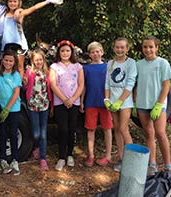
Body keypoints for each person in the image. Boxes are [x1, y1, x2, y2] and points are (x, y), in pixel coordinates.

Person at [135, 35, 171, 180]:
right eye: (145, 47)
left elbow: (166, 85)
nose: (148, 49)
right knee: (149, 134)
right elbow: (136, 84)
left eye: (151, 46)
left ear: (156, 47)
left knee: (161, 133)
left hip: (157, 104)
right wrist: (135, 101)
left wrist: (159, 104)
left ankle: (168, 166)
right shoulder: (138, 64)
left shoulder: (162, 63)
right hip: (142, 104)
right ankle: (152, 164)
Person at [2, 0, 63, 77]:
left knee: (19, 66)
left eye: (15, 1)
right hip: (6, 45)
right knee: (6, 66)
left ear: (19, 2)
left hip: (19, 44)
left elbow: (33, 8)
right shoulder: (3, 13)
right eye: (10, 1)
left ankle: (19, 87)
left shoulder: (19, 12)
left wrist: (47, 1)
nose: (12, 3)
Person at [50, 40, 84, 171]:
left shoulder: (78, 66)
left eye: (67, 51)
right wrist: (64, 99)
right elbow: (53, 84)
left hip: (74, 102)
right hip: (60, 103)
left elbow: (81, 84)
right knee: (62, 129)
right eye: (62, 51)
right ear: (59, 52)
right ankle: (61, 157)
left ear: (72, 52)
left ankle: (70, 154)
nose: (65, 53)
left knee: (71, 129)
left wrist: (73, 99)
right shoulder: (54, 66)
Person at [104, 37, 137, 172]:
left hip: (125, 102)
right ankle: (121, 157)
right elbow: (107, 82)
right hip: (112, 100)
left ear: (127, 48)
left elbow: (130, 83)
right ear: (114, 48)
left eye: (122, 47)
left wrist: (120, 101)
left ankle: (132, 160)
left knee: (124, 129)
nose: (119, 49)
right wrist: (106, 99)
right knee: (116, 129)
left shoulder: (131, 63)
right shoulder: (110, 63)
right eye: (117, 47)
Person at [80, 41, 113, 167]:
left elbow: (112, 85)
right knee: (91, 128)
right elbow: (84, 86)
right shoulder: (86, 68)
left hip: (105, 102)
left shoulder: (108, 67)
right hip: (90, 102)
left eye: (97, 51)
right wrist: (82, 101)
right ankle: (91, 155)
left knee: (107, 128)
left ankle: (108, 155)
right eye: (93, 52)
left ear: (102, 52)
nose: (95, 54)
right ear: (89, 54)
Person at [0, 49, 22, 175]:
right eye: (6, 60)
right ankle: (3, 159)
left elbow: (16, 94)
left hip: (13, 109)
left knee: (13, 134)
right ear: (2, 60)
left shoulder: (16, 75)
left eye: (10, 61)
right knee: (2, 133)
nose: (8, 63)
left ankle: (15, 159)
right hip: (0, 109)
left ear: (14, 62)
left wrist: (7, 109)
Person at [22, 49, 52, 170]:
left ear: (43, 60)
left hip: (44, 105)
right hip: (33, 105)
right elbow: (25, 87)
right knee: (36, 133)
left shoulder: (47, 72)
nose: (39, 62)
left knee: (43, 133)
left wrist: (52, 105)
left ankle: (43, 158)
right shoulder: (29, 72)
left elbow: (50, 89)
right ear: (32, 61)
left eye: (40, 59)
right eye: (36, 60)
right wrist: (24, 82)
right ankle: (36, 146)